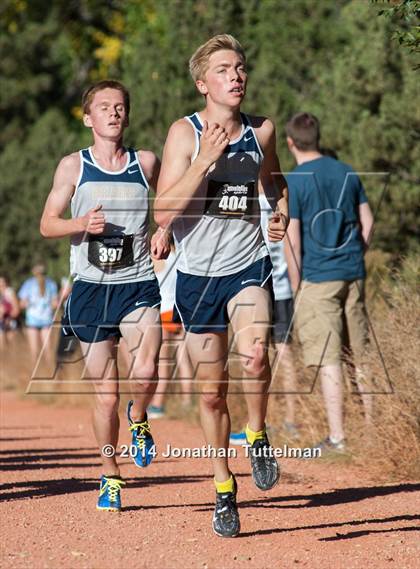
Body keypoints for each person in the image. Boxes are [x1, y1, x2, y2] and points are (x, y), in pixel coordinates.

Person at [154, 34, 289, 537]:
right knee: (211, 395)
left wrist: (280, 209)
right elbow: (163, 211)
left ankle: (256, 432)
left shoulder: (263, 130)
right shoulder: (185, 134)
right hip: (197, 276)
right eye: (224, 69)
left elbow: (274, 181)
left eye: (240, 67)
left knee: (256, 355)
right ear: (202, 84)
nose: (236, 76)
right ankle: (223, 485)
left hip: (247, 264)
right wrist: (203, 161)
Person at [40, 80, 170, 511]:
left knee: (148, 367)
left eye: (119, 107)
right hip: (91, 290)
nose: (113, 113)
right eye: (103, 107)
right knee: (105, 395)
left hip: (136, 283)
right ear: (88, 118)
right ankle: (110, 474)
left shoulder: (145, 162)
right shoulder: (72, 167)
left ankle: (139, 417)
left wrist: (165, 228)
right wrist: (81, 225)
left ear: (126, 115)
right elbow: (47, 224)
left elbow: (174, 199)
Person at [284, 112, 374, 454]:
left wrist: (296, 286)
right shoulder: (346, 170)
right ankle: (371, 431)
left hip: (318, 279)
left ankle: (338, 438)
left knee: (330, 359)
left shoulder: (294, 181)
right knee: (360, 356)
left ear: (291, 142)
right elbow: (368, 222)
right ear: (317, 137)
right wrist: (355, 253)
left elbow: (292, 240)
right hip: (353, 273)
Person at [230, 185, 300, 445]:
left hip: (276, 288)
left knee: (280, 353)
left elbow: (292, 244)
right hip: (254, 288)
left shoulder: (276, 200)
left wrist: (295, 288)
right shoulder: (247, 197)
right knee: (256, 356)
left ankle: (289, 421)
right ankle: (257, 423)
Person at [18, 264, 58, 364]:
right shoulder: (51, 284)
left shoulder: (28, 284)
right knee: (48, 350)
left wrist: (28, 303)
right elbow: (55, 304)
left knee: (34, 351)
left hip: (32, 320)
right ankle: (49, 372)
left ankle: (34, 373)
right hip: (46, 320)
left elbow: (22, 304)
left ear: (33, 272)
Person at [0, 275, 20, 346]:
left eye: (2, 282)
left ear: (6, 282)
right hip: (1, 322)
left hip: (10, 322)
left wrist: (9, 319)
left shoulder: (9, 292)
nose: (1, 284)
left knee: (11, 346)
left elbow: (16, 309)